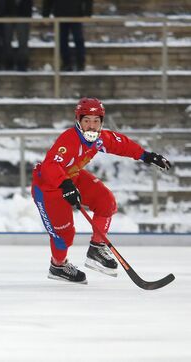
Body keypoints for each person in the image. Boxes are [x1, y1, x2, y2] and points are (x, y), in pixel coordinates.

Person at [31, 98, 172, 284]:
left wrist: (147, 156)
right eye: (87, 120)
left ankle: (96, 248)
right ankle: (58, 266)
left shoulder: (99, 139)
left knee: (106, 201)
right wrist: (65, 185)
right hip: (49, 188)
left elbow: (121, 144)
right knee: (64, 236)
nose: (91, 126)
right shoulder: (69, 139)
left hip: (73, 178)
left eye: (96, 121)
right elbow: (51, 165)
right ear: (79, 120)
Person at [42, 0, 93, 71]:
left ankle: (80, 63)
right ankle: (67, 63)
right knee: (62, 41)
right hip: (60, 14)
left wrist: (88, 13)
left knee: (78, 39)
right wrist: (45, 15)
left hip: (76, 14)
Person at [0, 0, 33, 71]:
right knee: (6, 40)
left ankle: (22, 62)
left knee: (23, 41)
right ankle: (8, 62)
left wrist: (28, 13)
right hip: (7, 13)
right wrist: (0, 12)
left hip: (23, 14)